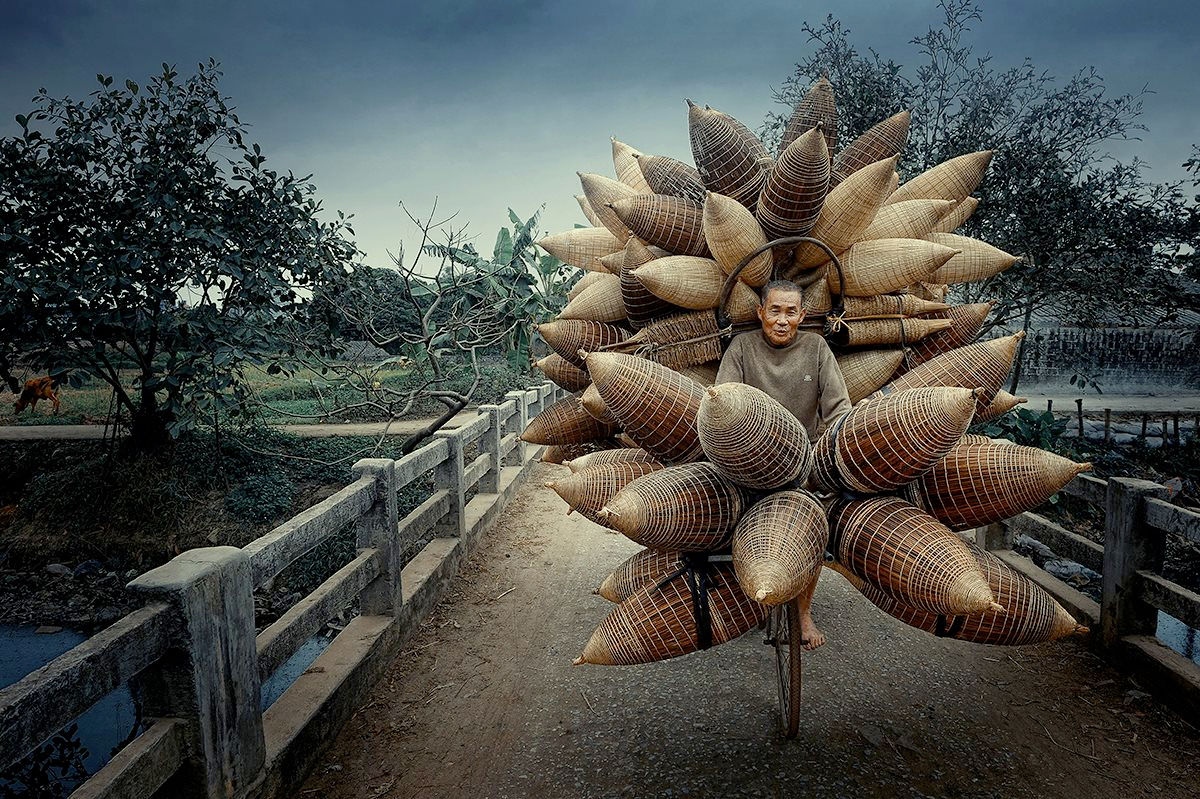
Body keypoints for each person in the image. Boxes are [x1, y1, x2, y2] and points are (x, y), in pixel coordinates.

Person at [715, 278, 851, 650]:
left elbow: (839, 410)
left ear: (802, 316)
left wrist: (827, 452)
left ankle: (804, 614)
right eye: (774, 310)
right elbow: (723, 401)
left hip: (803, 464)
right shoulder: (742, 348)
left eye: (791, 312)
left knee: (815, 528)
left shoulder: (817, 348)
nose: (781, 320)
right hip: (751, 460)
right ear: (761, 312)